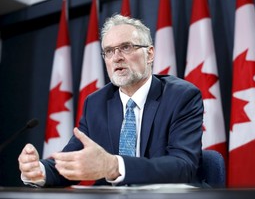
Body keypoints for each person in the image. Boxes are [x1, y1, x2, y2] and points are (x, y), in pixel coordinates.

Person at [18, 14, 204, 187]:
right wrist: (38, 170)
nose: (117, 58)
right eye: (109, 51)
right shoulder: (96, 103)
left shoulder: (181, 97)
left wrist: (115, 166)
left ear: (150, 54)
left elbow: (183, 167)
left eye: (126, 47)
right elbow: (72, 161)